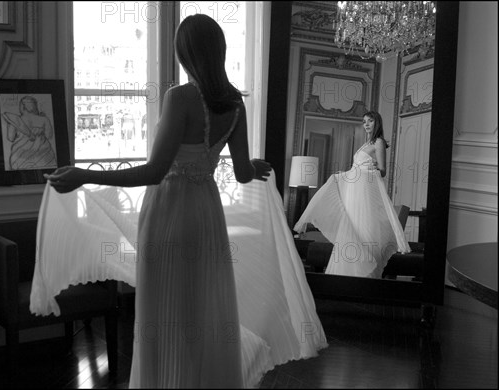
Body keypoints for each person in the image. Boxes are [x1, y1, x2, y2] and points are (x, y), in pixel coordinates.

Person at [32, 14, 327, 388]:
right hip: (206, 214)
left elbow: (153, 172)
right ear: (217, 51)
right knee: (201, 309)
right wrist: (253, 165)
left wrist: (84, 175)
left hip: (169, 214)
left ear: (185, 52)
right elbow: (240, 173)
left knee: (165, 310)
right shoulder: (235, 103)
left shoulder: (180, 97)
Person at [294, 111, 411, 279]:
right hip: (354, 189)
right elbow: (356, 167)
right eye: (364, 122)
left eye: (370, 121)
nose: (366, 124)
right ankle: (345, 273)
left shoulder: (378, 142)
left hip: (365, 189)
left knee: (363, 225)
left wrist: (368, 170)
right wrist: (347, 173)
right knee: (351, 224)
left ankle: (365, 271)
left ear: (377, 122)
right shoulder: (365, 144)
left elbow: (383, 171)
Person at [2, 95, 57, 170]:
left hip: (20, 156)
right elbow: (49, 136)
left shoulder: (15, 120)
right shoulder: (44, 119)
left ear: (22, 107)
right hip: (44, 156)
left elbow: (10, 138)